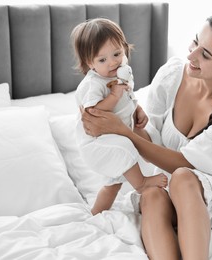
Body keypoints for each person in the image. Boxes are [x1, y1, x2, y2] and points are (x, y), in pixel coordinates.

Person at [81, 12, 212, 260]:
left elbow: (187, 164)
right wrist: (131, 125)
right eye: (195, 42)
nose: (191, 55)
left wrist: (122, 130)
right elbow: (152, 144)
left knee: (182, 177)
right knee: (151, 195)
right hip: (167, 183)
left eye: (206, 54)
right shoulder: (172, 75)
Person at [71, 18, 168, 216]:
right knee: (125, 149)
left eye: (117, 54)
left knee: (112, 184)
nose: (113, 62)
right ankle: (141, 184)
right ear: (90, 63)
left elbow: (128, 96)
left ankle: (95, 215)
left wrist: (137, 108)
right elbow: (93, 113)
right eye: (102, 60)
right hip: (97, 142)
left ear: (125, 49)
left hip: (117, 134)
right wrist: (114, 95)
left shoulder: (122, 73)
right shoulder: (93, 85)